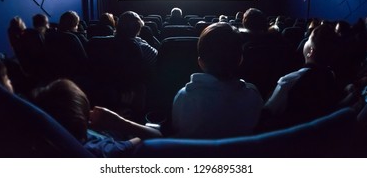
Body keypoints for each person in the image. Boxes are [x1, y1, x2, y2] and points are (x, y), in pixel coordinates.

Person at [172, 22, 263, 139]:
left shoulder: (184, 97)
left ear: (200, 62)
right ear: (240, 59)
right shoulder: (253, 96)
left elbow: (178, 131)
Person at [31, 78, 162, 157]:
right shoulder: (105, 151)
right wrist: (120, 122)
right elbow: (157, 136)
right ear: (82, 118)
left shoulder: (52, 138)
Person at [262, 24, 344, 130]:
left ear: (311, 51)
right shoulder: (331, 76)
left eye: (308, 39)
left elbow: (267, 112)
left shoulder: (289, 81)